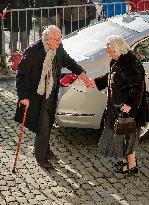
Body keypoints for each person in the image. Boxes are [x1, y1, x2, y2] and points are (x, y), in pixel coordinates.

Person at [14, 25, 95, 169]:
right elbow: (21, 76)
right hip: (37, 95)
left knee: (48, 123)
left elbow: (68, 61)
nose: (59, 41)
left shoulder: (58, 48)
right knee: (42, 126)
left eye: (60, 38)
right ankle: (41, 157)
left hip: (51, 92)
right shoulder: (33, 51)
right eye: (56, 39)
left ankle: (46, 149)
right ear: (47, 39)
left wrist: (82, 74)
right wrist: (23, 97)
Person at [92, 35, 148, 175]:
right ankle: (128, 163)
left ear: (117, 49)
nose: (106, 50)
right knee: (123, 137)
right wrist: (97, 82)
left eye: (108, 47)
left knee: (128, 138)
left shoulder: (130, 65)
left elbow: (138, 88)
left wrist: (130, 104)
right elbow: (111, 76)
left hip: (129, 111)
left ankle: (132, 167)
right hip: (118, 108)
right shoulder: (118, 61)